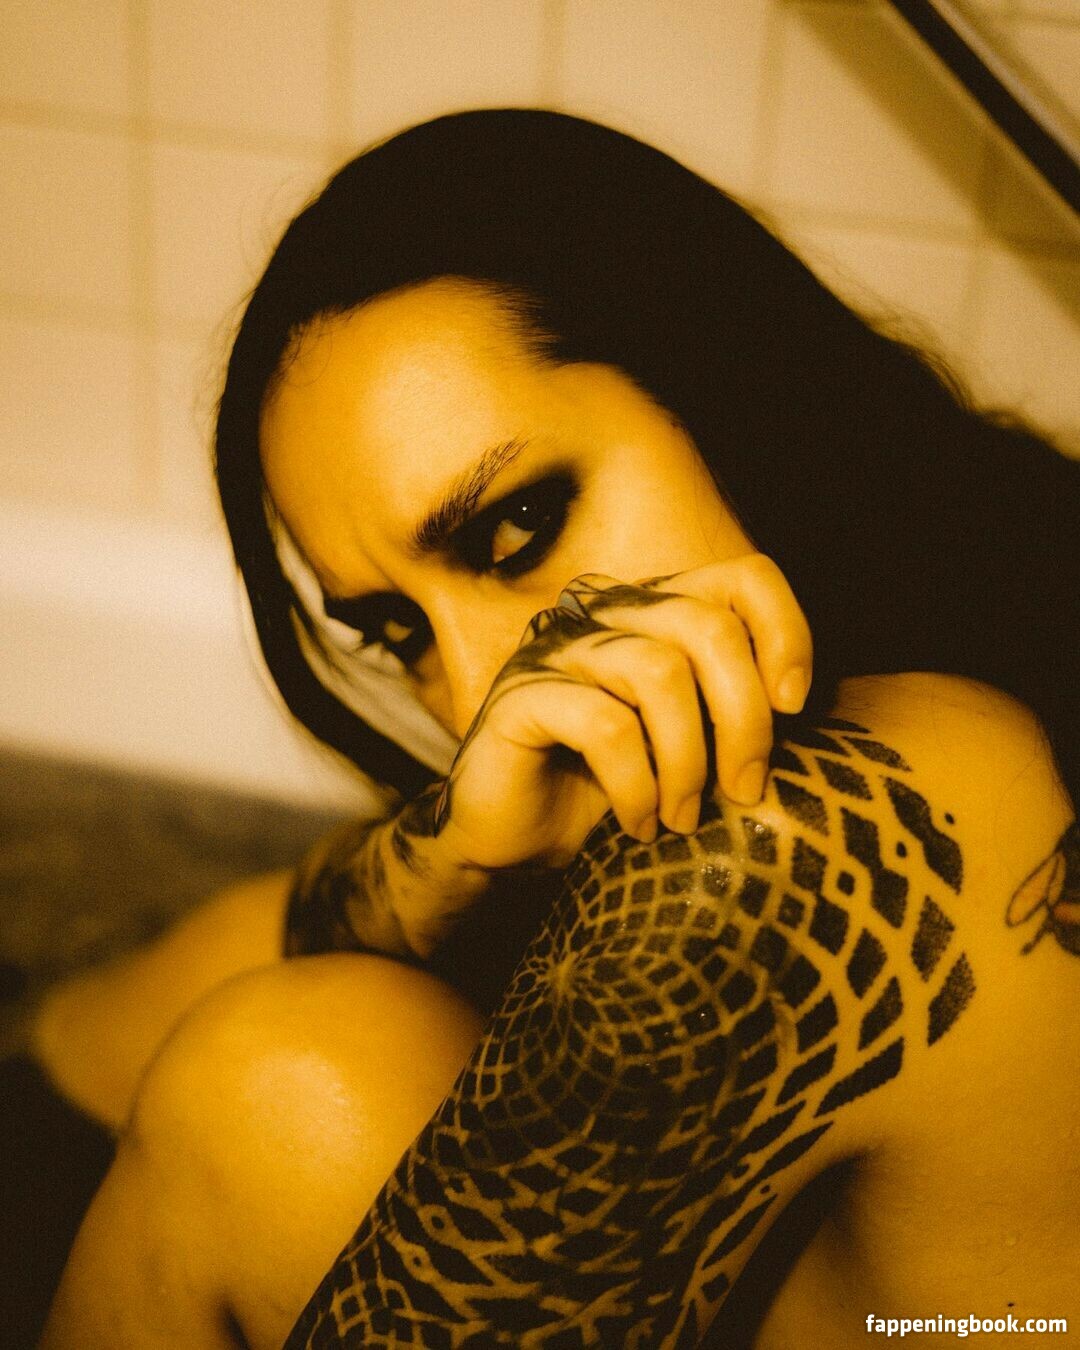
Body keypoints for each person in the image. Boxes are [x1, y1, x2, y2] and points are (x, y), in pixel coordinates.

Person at [39, 110, 1079, 1348]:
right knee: (247, 990)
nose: (482, 692)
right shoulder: (988, 613)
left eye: (519, 528)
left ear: (727, 389)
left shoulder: (807, 827)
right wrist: (442, 860)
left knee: (272, 1080)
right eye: (399, 632)